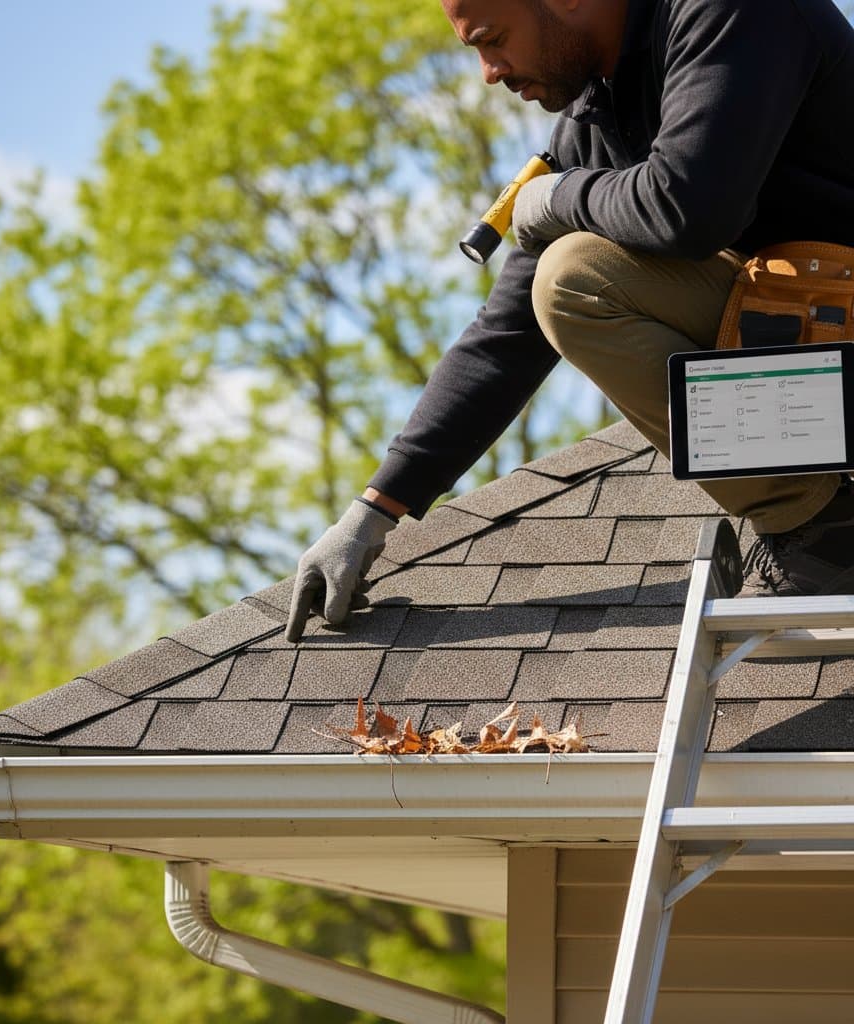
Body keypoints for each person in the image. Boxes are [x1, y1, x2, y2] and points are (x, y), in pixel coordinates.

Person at [286, 0, 854, 643]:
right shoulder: (599, 111)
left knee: (574, 274)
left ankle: (825, 535)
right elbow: (507, 333)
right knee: (560, 281)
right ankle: (825, 525)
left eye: (493, 40)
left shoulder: (735, 13)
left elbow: (691, 206)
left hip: (834, 356)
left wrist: (559, 197)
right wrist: (375, 510)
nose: (488, 73)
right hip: (822, 357)